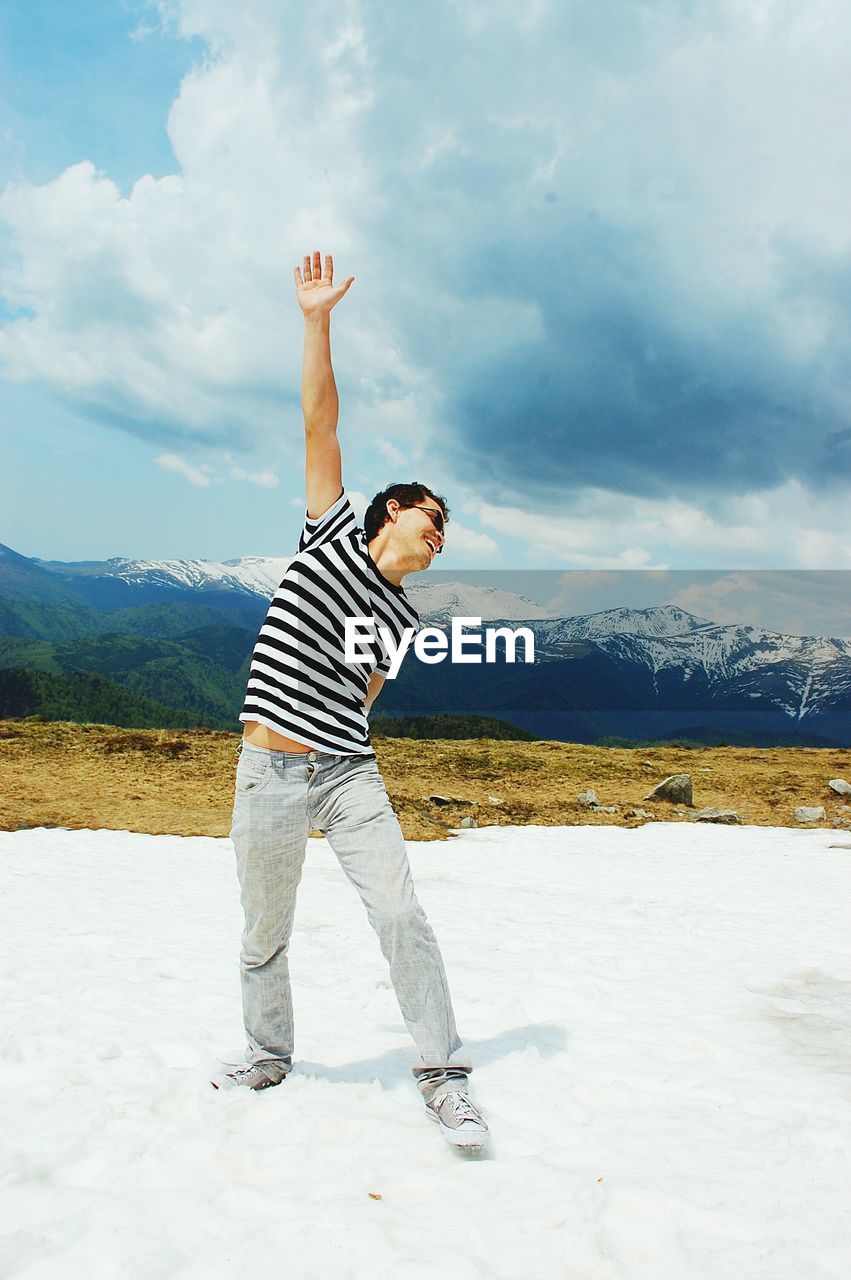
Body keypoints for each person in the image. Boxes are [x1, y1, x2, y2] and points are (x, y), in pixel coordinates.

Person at [212, 250, 489, 1149]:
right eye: (431, 518)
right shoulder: (329, 532)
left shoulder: (400, 616)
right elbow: (317, 421)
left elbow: (363, 693)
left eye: (445, 530)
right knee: (264, 927)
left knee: (402, 913)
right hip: (268, 768)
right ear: (388, 513)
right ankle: (267, 1053)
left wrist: (340, 744)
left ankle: (444, 1076)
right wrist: (316, 318)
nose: (439, 535)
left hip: (346, 772)